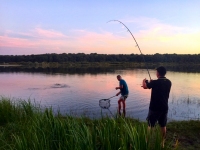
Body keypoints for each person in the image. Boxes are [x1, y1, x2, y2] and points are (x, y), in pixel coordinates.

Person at [142, 66, 172, 148]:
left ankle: (147, 142)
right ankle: (162, 143)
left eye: (156, 72)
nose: (156, 73)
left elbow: (145, 86)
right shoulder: (169, 82)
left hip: (154, 107)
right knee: (163, 125)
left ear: (158, 73)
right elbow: (160, 86)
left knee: (150, 125)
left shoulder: (155, 83)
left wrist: (144, 81)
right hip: (164, 107)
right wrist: (152, 83)